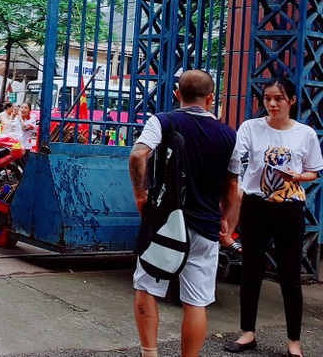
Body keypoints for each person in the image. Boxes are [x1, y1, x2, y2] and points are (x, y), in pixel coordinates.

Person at [128, 70, 238, 357]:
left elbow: (138, 155)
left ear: (177, 94)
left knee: (147, 286)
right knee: (196, 301)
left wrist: (141, 196)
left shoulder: (162, 121)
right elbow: (232, 186)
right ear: (211, 98)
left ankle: (149, 353)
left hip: (163, 223)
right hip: (204, 226)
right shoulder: (229, 135)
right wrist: (224, 218)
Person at [222, 78, 321, 357]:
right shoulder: (251, 128)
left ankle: (294, 342)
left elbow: (314, 171)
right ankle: (248, 333)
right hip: (256, 205)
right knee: (251, 271)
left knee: (289, 275)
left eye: (278, 98)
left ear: (291, 100)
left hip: (289, 208)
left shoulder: (305, 133)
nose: (272, 104)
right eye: (267, 98)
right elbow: (234, 161)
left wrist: (298, 176)